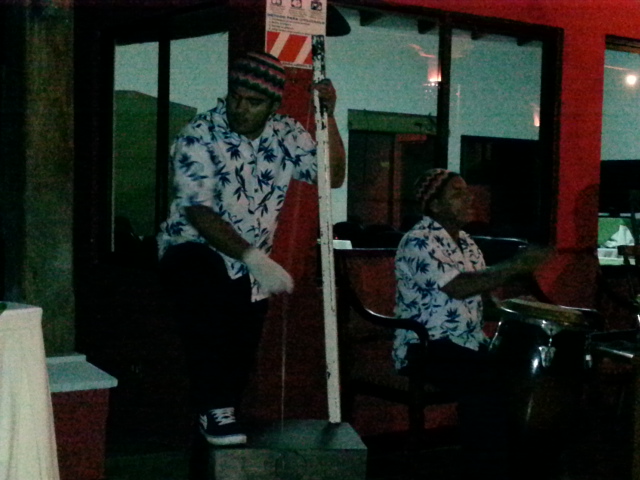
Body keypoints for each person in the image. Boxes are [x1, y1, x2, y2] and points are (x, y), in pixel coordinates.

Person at [157, 51, 345, 446]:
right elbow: (198, 210)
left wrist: (328, 116)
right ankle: (215, 410)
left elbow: (332, 176)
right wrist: (256, 259)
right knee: (207, 294)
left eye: (253, 101)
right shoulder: (198, 134)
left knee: (242, 345)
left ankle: (219, 415)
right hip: (193, 246)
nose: (240, 108)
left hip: (249, 262)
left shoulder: (287, 133)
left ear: (273, 105)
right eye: (235, 97)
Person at [393, 168, 552, 479]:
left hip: (468, 343)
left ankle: (514, 465)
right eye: (457, 193)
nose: (469, 198)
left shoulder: (467, 243)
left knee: (521, 374)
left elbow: (484, 303)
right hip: (426, 346)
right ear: (434, 205)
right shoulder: (418, 241)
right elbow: (458, 287)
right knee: (486, 383)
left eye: (467, 192)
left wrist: (518, 309)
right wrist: (516, 265)